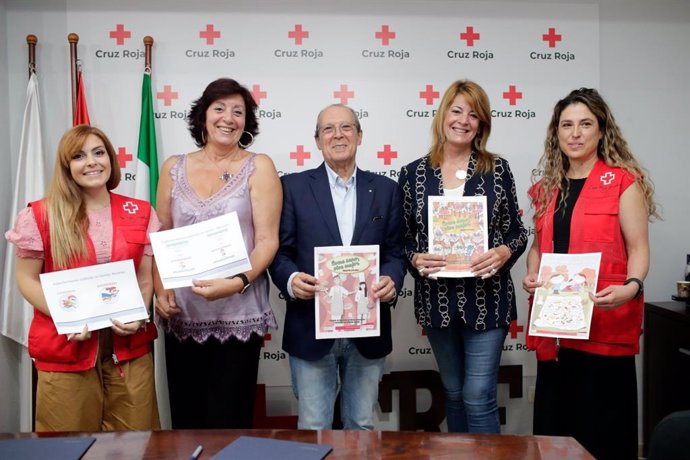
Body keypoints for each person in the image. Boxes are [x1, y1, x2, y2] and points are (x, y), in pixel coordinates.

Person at [523, 88, 658, 459]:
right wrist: (532, 274)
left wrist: (632, 287)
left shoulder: (623, 182)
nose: (575, 133)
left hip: (605, 325)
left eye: (585, 124)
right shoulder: (545, 188)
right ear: (557, 132)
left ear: (602, 131)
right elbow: (538, 247)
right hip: (556, 333)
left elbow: (639, 248)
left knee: (602, 434)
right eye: (567, 125)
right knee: (555, 434)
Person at [5, 125, 160, 431]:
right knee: (68, 446)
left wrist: (138, 316)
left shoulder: (141, 212)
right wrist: (69, 316)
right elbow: (27, 280)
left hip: (128, 350)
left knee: (136, 445)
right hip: (67, 346)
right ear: (67, 167)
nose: (91, 162)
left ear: (111, 160)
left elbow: (144, 278)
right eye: (79, 156)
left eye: (99, 152)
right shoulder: (40, 215)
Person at [398, 80, 528, 433]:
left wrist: (503, 251)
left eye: (474, 114)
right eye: (457, 110)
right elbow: (404, 238)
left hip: (488, 299)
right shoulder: (412, 175)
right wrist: (414, 259)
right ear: (442, 115)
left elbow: (518, 233)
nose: (463, 120)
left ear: (482, 123)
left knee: (478, 395)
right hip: (437, 302)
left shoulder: (497, 170)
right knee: (453, 393)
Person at [269, 104, 406, 430]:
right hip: (310, 329)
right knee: (314, 426)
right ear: (317, 140)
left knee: (361, 426)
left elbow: (397, 253)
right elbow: (277, 253)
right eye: (328, 129)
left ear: (359, 135)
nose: (338, 135)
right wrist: (290, 280)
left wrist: (391, 279)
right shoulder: (292, 188)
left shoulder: (386, 191)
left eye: (346, 127)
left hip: (368, 332)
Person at [154, 78, 281, 429]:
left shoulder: (260, 166)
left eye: (238, 111)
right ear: (203, 117)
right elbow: (159, 235)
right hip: (182, 313)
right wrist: (160, 289)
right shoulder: (173, 167)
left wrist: (237, 282)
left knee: (229, 419)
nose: (229, 118)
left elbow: (267, 240)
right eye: (220, 108)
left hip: (238, 309)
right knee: (186, 417)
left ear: (247, 122)